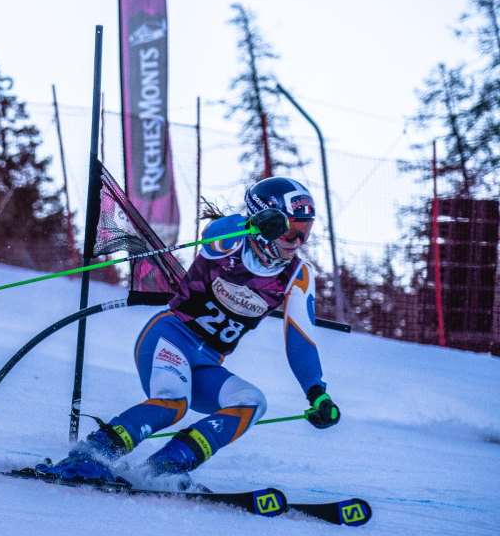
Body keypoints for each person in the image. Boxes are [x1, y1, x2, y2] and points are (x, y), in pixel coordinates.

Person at [36, 176, 341, 487]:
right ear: (266, 221)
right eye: (290, 230)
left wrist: (316, 392)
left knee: (252, 401)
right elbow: (214, 234)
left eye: (304, 232)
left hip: (207, 362)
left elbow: (300, 338)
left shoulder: (297, 274)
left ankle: (165, 466)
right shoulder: (233, 241)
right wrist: (250, 222)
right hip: (170, 337)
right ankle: (91, 455)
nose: (296, 242)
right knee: (173, 403)